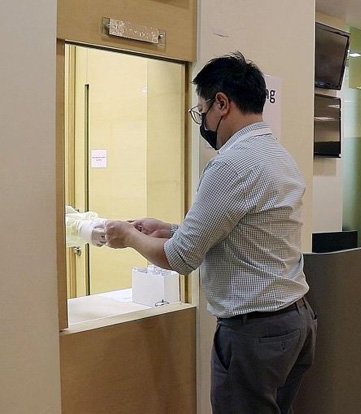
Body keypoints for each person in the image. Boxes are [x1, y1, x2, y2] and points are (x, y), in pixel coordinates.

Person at [105, 52, 316, 414]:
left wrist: (129, 237)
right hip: (296, 323)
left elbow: (180, 258)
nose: (201, 121)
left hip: (254, 335)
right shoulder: (277, 154)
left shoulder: (230, 164)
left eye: (201, 110)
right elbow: (245, 232)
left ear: (222, 103)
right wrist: (169, 228)